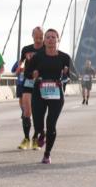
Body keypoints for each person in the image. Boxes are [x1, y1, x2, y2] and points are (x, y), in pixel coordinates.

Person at [23, 28, 76, 164]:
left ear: (58, 40)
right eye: (48, 37)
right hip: (39, 93)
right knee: (39, 125)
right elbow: (27, 73)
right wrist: (33, 74)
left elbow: (75, 76)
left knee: (51, 125)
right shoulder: (38, 57)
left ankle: (47, 154)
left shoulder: (64, 57)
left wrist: (66, 73)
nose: (50, 39)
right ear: (44, 40)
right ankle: (42, 133)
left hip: (56, 94)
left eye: (53, 37)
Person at [14, 27, 45, 150]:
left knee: (38, 113)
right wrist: (19, 67)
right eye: (36, 37)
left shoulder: (46, 49)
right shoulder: (26, 49)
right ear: (32, 36)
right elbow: (21, 61)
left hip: (41, 83)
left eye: (40, 37)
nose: (38, 40)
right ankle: (26, 138)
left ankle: (36, 138)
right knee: (26, 111)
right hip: (28, 81)